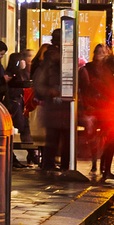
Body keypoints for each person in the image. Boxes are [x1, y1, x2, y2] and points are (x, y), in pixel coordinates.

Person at [77, 42, 114, 183]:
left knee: (111, 139)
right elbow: (83, 91)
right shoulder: (87, 69)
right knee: (96, 139)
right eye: (100, 52)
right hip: (94, 108)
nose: (102, 55)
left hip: (109, 108)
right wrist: (85, 109)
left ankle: (106, 169)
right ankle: (97, 165)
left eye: (105, 53)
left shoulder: (111, 68)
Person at [33, 36, 70, 172]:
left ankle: (60, 166)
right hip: (54, 108)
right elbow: (39, 87)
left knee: (64, 141)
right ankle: (50, 165)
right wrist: (52, 92)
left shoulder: (65, 62)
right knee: (53, 140)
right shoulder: (48, 64)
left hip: (63, 109)